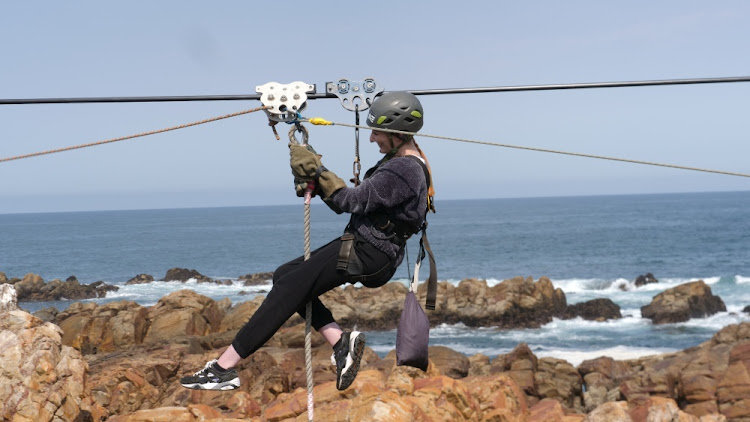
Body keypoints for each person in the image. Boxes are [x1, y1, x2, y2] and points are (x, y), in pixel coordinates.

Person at [180, 91, 435, 392]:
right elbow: (353, 203)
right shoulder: (404, 161)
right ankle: (341, 344)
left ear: (395, 132)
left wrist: (317, 170)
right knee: (285, 275)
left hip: (369, 253)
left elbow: (351, 201)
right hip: (366, 246)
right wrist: (317, 179)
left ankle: (223, 368)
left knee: (289, 288)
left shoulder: (402, 169)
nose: (371, 139)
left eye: (376, 132)